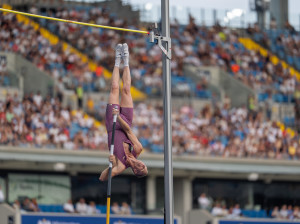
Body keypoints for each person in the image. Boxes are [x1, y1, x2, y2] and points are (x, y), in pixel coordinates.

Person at [99, 43, 148, 181]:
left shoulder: (120, 166)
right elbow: (128, 131)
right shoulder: (138, 149)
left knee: (115, 87)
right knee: (126, 89)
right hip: (124, 121)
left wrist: (109, 166)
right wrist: (119, 117)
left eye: (141, 167)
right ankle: (125, 60)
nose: (141, 164)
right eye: (144, 165)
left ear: (136, 170)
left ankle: (116, 60)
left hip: (112, 125)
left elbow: (102, 179)